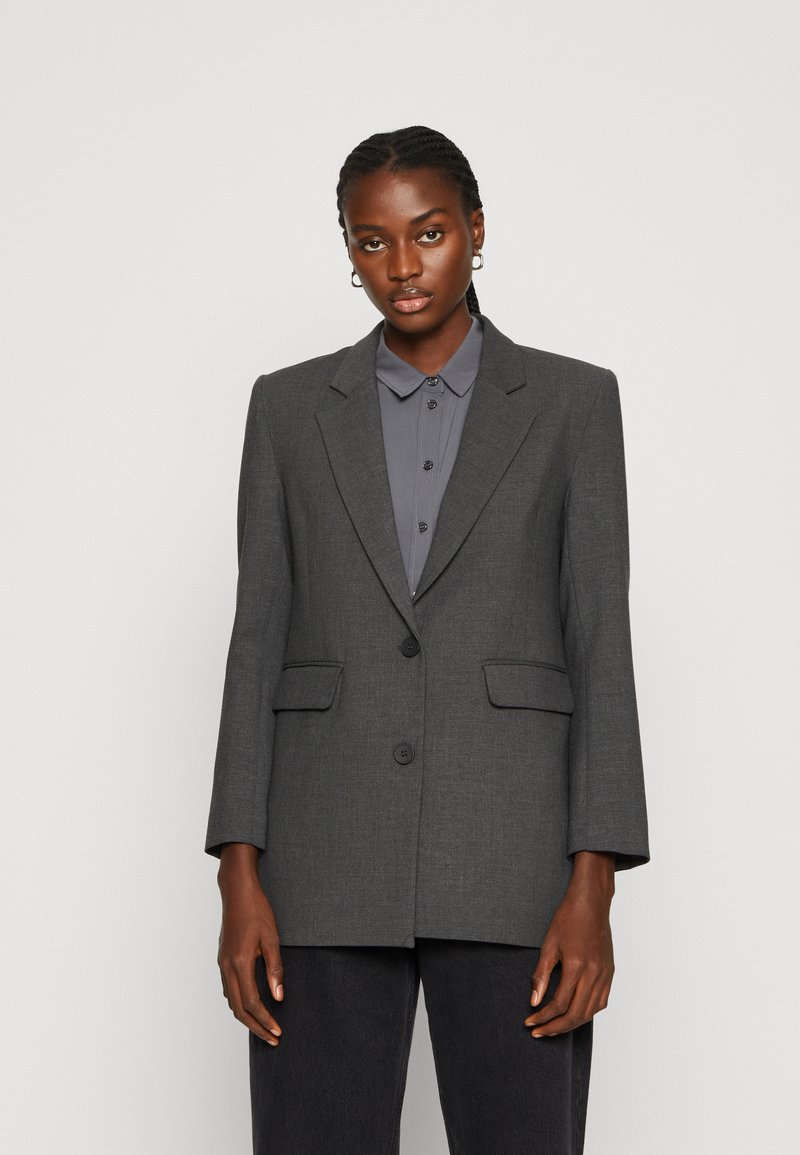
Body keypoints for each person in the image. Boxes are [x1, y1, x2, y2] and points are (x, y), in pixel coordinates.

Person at [205, 125, 650, 1155]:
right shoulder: (286, 409)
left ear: (476, 230)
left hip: (512, 860)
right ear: (349, 249)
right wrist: (238, 874)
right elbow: (254, 641)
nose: (401, 266)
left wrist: (592, 884)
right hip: (322, 861)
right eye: (371, 241)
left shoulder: (574, 403)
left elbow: (600, 642)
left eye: (429, 233)